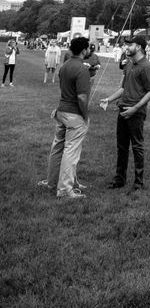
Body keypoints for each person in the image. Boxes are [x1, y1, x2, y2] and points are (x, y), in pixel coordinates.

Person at [100, 34, 150, 190]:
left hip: (135, 112)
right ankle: (120, 179)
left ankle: (138, 182)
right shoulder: (129, 64)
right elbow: (123, 88)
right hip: (122, 108)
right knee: (122, 146)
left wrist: (136, 108)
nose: (125, 48)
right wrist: (109, 99)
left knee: (137, 146)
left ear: (138, 47)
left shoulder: (146, 67)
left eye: (128, 45)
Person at [38, 35, 91, 199]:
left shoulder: (66, 65)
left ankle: (52, 182)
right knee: (71, 152)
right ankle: (65, 190)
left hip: (61, 112)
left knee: (58, 148)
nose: (89, 50)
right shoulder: (81, 69)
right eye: (88, 48)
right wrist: (86, 115)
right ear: (84, 50)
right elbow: (82, 98)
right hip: (73, 114)